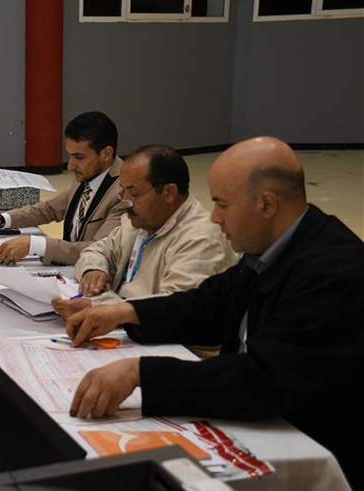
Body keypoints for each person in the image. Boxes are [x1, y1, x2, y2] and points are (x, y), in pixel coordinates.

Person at [63, 137, 364, 488]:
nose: (214, 217)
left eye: (222, 204)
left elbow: (263, 379)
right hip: (267, 431)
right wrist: (124, 313)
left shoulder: (334, 271)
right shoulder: (270, 247)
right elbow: (206, 306)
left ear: (267, 204)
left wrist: (142, 372)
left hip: (319, 454)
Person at [52, 144, 236, 358]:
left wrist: (101, 305)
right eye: (123, 191)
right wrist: (95, 269)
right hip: (131, 337)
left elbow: (172, 311)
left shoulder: (201, 237)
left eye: (134, 193)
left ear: (168, 192)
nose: (125, 202)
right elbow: (97, 250)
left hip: (181, 354)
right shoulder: (141, 221)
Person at [0, 111, 126, 266]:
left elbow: (99, 250)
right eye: (70, 155)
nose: (70, 166)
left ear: (106, 154)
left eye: (79, 157)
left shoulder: (125, 191)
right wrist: (1, 219)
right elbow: (49, 209)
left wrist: (35, 245)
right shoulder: (90, 173)